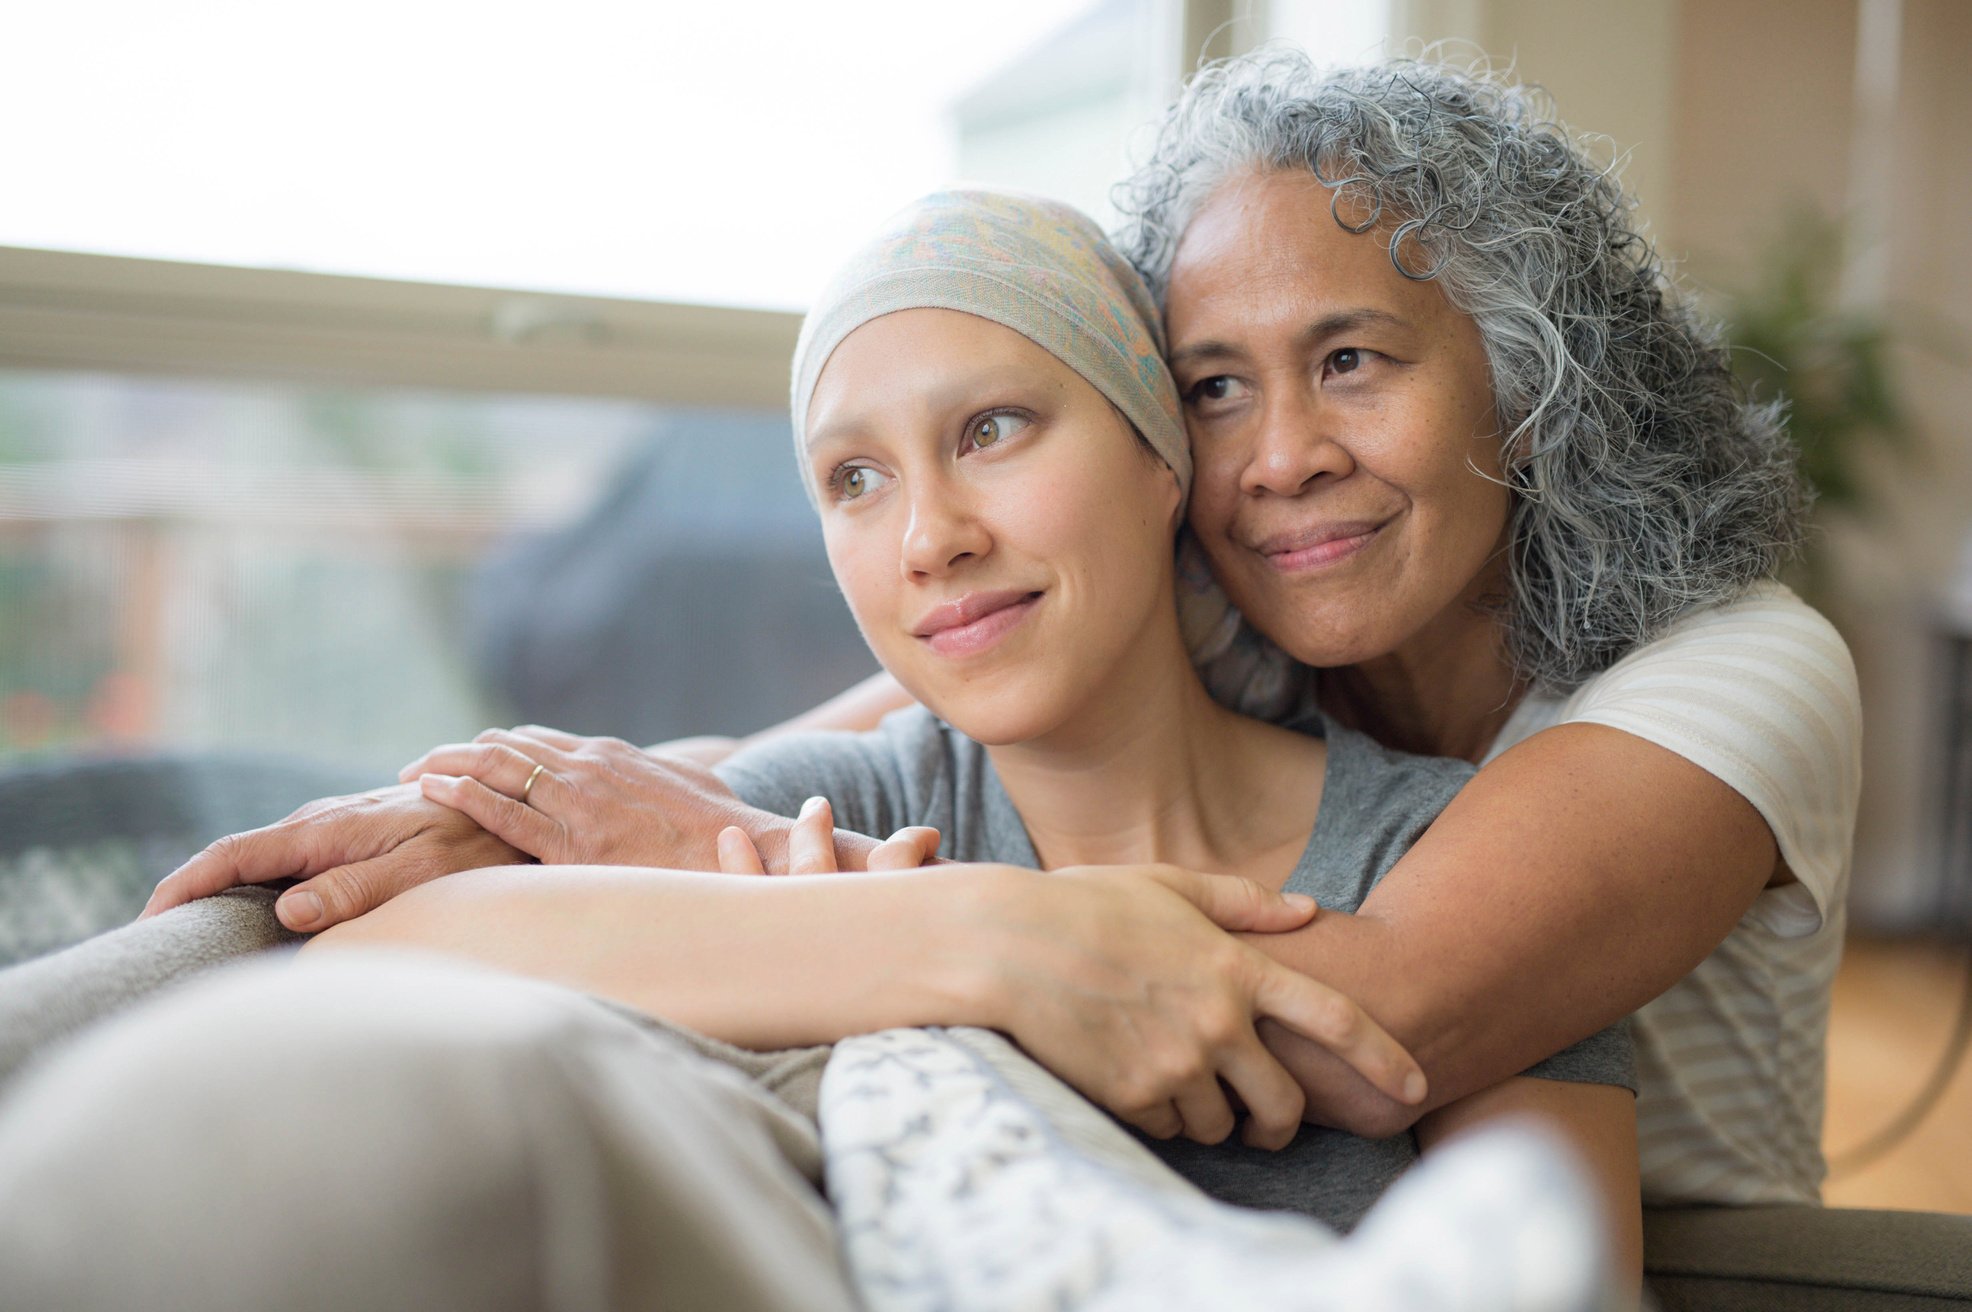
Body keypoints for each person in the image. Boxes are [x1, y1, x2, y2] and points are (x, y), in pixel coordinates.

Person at [144, 51, 1858, 1209]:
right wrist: (487, 813)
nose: (1280, 459)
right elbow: (790, 759)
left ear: (1532, 385)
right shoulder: (1244, 607)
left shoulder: (1738, 668)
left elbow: (1375, 1013)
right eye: (1214, 387)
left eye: (1352, 361)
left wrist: (921, 927)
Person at [0, 187, 1638, 1310]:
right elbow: (397, 947)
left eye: (992, 428)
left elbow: (1557, 1271)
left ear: (1159, 460)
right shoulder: (874, 804)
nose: (929, 535)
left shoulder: (1438, 864)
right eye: (854, 480)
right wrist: (974, 940)